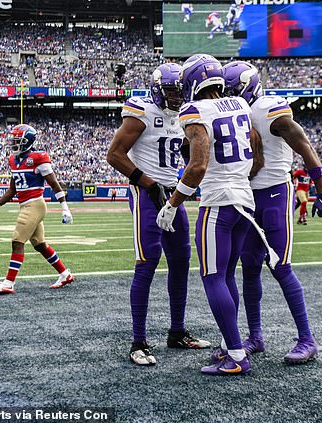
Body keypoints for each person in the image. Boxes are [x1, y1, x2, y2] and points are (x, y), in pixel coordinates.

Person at [156, 54, 265, 375]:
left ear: (191, 82)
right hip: (245, 198)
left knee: (212, 276)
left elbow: (199, 164)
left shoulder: (193, 110)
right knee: (227, 274)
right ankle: (228, 344)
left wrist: (172, 203)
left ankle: (236, 355)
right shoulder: (240, 106)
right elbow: (257, 155)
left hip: (218, 201)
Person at [223, 61, 322, 364]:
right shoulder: (236, 112)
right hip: (247, 195)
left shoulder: (269, 108)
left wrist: (321, 189)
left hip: (274, 193)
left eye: (232, 90)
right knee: (249, 268)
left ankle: (307, 339)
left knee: (280, 266)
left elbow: (303, 144)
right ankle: (255, 337)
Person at [107, 63, 210, 366]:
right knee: (147, 260)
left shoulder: (185, 116)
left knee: (181, 260)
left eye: (180, 92)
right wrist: (149, 184)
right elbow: (114, 155)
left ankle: (176, 332)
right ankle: (138, 342)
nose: (176, 98)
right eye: (170, 92)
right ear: (156, 88)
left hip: (171, 193)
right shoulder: (141, 111)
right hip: (146, 193)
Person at [0, 124, 75, 294]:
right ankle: (65, 273)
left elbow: (54, 184)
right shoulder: (13, 160)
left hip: (35, 204)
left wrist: (65, 208)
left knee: (17, 242)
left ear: (28, 142)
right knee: (40, 245)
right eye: (13, 140)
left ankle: (8, 283)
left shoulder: (38, 158)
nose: (14, 144)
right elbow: (12, 189)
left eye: (18, 141)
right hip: (25, 204)